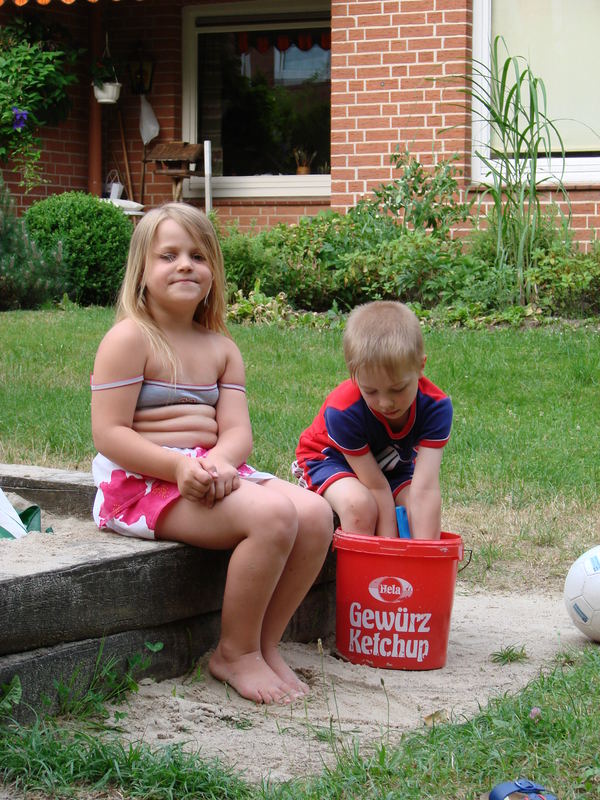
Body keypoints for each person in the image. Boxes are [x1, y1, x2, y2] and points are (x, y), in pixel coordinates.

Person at [90, 202, 333, 705]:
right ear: (141, 271)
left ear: (214, 272)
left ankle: (265, 645)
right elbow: (110, 433)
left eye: (199, 255)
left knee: (314, 514)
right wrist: (180, 467)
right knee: (272, 515)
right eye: (169, 255)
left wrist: (219, 462)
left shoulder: (221, 347)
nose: (185, 265)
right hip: (144, 483)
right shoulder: (129, 339)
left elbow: (237, 432)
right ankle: (234, 653)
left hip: (214, 469)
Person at [294, 301, 452, 539]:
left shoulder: (435, 408)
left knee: (414, 509)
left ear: (421, 367)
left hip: (390, 468)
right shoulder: (344, 411)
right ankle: (361, 574)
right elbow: (376, 487)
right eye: (371, 391)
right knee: (360, 507)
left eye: (397, 389)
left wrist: (425, 559)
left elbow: (425, 489)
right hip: (328, 459)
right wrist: (385, 551)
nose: (386, 403)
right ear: (354, 375)